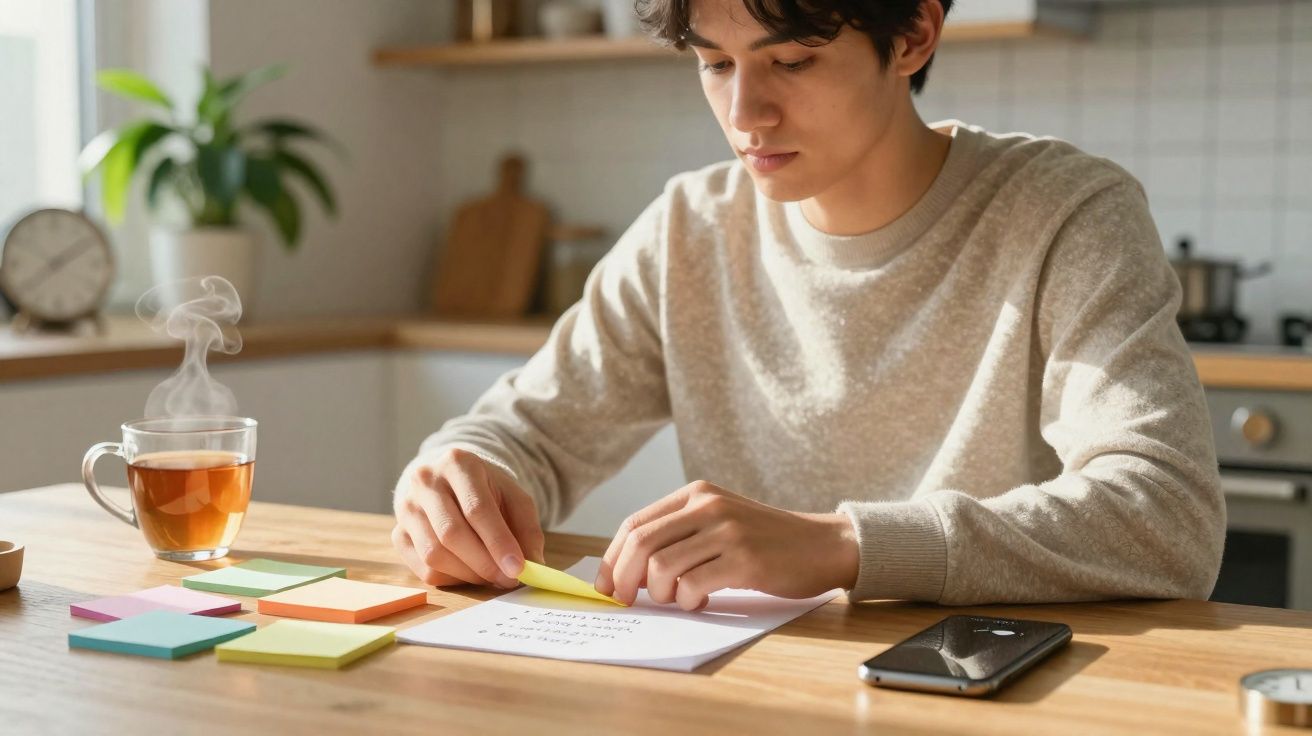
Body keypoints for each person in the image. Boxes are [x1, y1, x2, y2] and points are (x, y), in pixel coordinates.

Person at [391, 0, 1226, 612]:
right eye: (716, 63)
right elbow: (525, 432)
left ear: (912, 36)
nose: (745, 114)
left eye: (790, 61)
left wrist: (845, 545)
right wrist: (464, 475)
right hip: (758, 688)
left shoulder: (1066, 213)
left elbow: (1167, 518)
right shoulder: (691, 227)